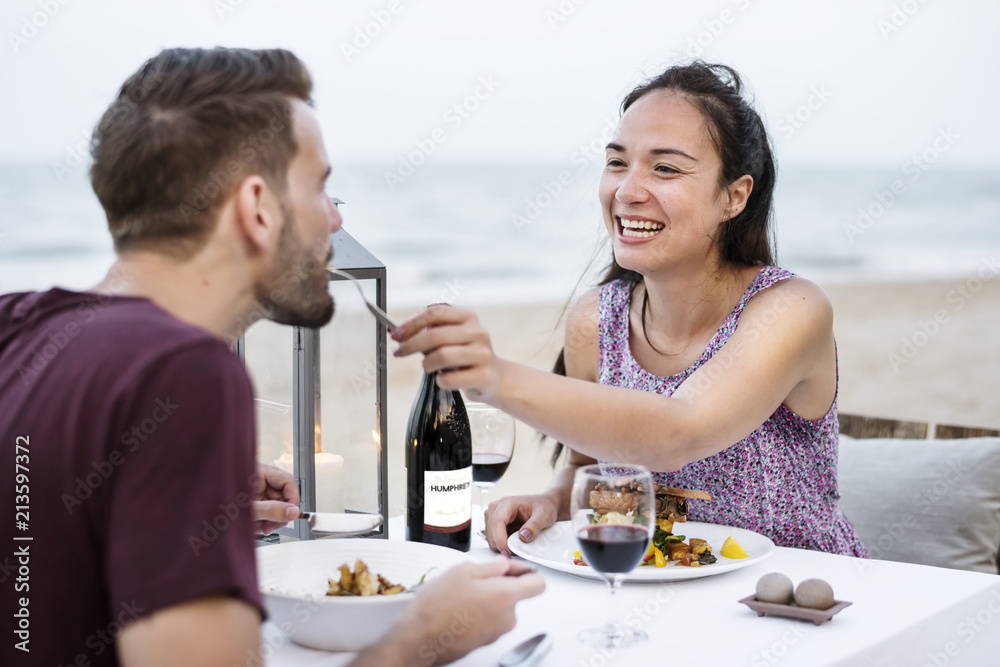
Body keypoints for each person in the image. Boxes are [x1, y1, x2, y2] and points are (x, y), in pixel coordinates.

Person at [0, 47, 542, 667]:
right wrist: (424, 639)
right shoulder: (185, 372)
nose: (335, 221)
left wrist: (186, 496)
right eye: (321, 188)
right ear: (257, 207)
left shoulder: (16, 323)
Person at [393, 62, 867, 558]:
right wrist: (553, 501)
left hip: (797, 601)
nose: (627, 191)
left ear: (734, 196)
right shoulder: (596, 320)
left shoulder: (791, 309)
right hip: (649, 599)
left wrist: (494, 377)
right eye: (618, 163)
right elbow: (584, 467)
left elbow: (679, 431)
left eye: (665, 168)